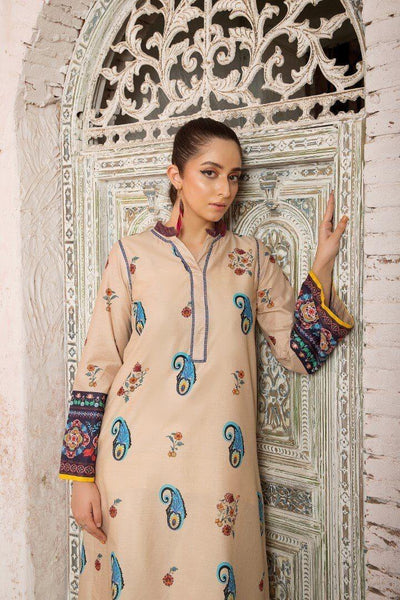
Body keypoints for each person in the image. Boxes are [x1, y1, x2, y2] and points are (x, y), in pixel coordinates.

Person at [58, 117, 354, 599]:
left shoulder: (250, 258)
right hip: (134, 463)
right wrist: (80, 477)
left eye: (234, 177)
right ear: (176, 175)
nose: (224, 190)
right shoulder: (131, 256)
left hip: (220, 470)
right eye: (210, 173)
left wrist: (322, 262)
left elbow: (299, 353)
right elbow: (97, 365)